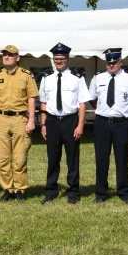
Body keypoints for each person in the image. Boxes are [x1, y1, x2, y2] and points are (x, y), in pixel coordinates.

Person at [38, 43, 91, 204]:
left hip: (70, 121)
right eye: (56, 59)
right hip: (52, 121)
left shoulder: (77, 77)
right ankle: (51, 191)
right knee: (53, 158)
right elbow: (44, 103)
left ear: (67, 59)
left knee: (72, 159)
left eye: (61, 58)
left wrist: (80, 125)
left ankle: (73, 192)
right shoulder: (46, 78)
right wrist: (43, 125)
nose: (59, 61)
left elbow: (82, 104)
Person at [89, 48, 128, 203]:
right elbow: (92, 99)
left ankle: (124, 193)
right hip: (102, 122)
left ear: (120, 62)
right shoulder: (97, 79)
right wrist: (103, 109)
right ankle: (101, 193)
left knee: (122, 159)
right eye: (108, 63)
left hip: (121, 124)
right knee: (101, 159)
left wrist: (127, 111)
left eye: (114, 62)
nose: (111, 65)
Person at [0, 44, 38, 202]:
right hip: (1, 119)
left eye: (10, 55)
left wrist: (31, 121)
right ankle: (8, 188)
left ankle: (20, 189)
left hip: (20, 119)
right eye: (4, 55)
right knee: (2, 158)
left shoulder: (26, 75)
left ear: (17, 58)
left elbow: (31, 99)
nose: (6, 57)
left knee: (19, 157)